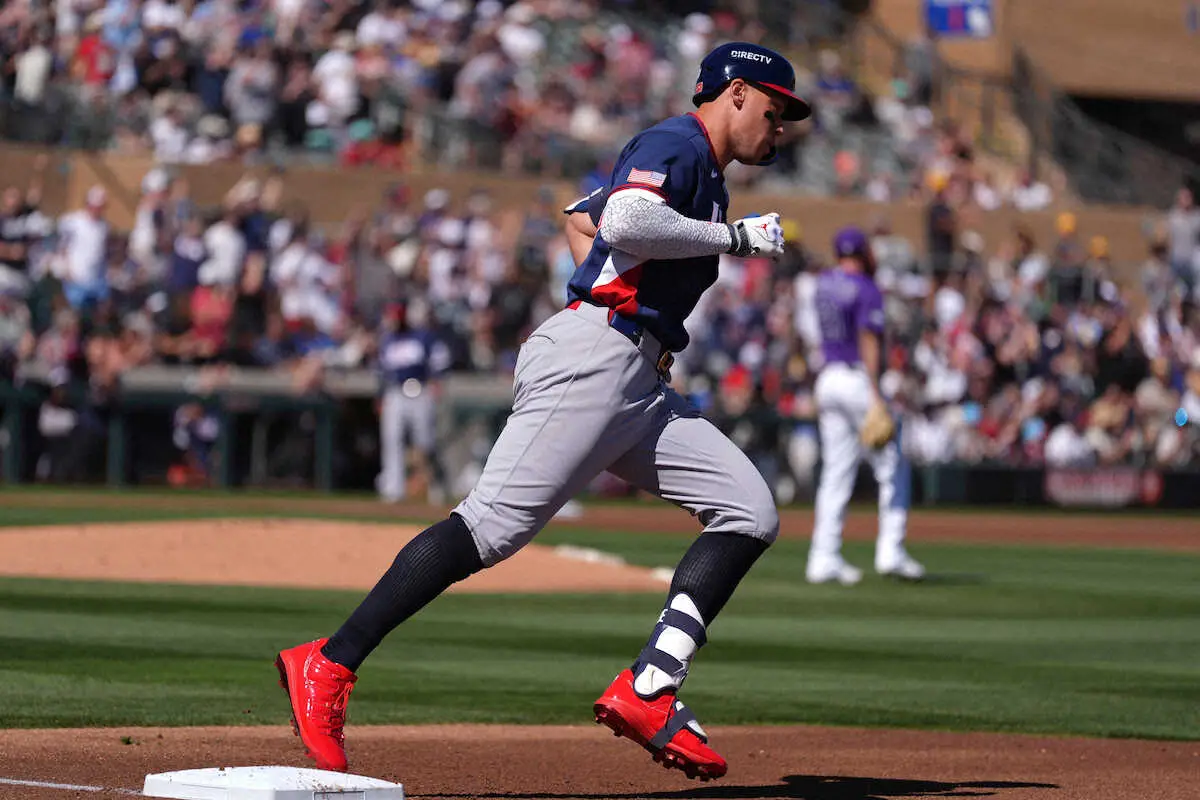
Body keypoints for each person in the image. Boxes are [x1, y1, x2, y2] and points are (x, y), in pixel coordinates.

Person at [275, 41, 809, 781]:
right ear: (739, 92)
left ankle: (652, 683)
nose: (778, 131)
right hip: (599, 356)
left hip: (636, 378)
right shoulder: (679, 144)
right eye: (775, 112)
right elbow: (624, 221)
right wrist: (732, 238)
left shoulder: (701, 170)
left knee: (749, 510)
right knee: (488, 529)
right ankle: (329, 663)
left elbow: (582, 219)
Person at [805, 227, 924, 585]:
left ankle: (823, 557)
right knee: (893, 465)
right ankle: (891, 551)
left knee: (836, 471)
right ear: (863, 252)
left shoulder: (823, 284)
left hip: (828, 377)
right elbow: (868, 340)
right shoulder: (867, 287)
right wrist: (876, 394)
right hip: (857, 377)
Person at [375, 299, 451, 503]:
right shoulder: (387, 340)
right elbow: (381, 371)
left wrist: (436, 381)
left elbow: (440, 361)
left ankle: (437, 486)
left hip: (420, 390)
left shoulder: (422, 336)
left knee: (426, 443)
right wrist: (380, 396)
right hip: (395, 392)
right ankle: (393, 490)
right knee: (392, 440)